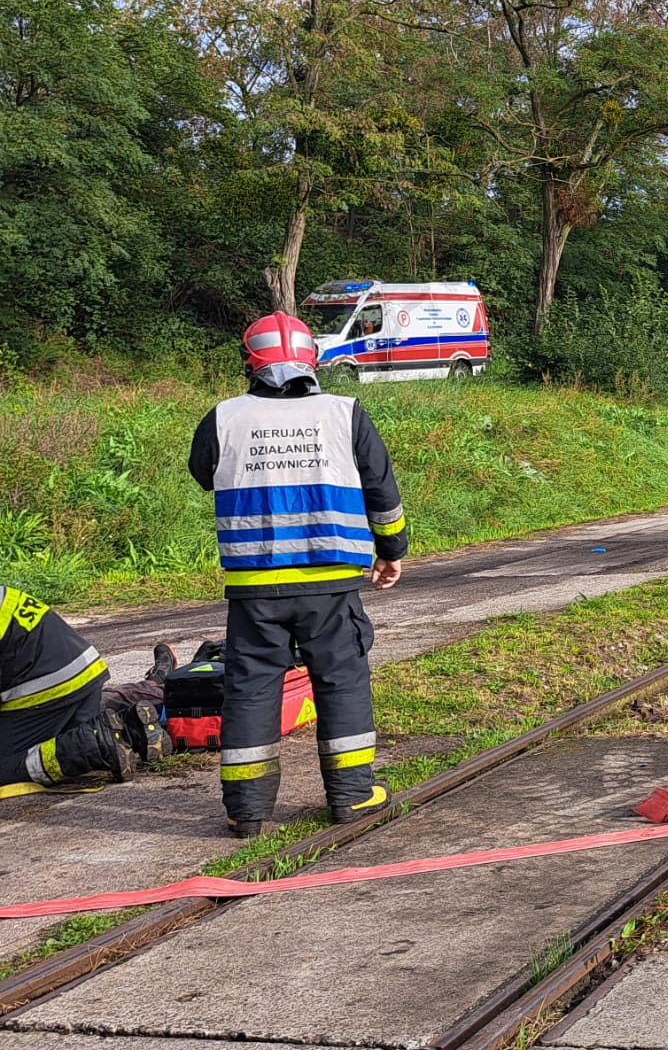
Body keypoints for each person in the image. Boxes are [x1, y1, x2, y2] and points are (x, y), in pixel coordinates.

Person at [189, 312, 409, 838]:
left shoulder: (223, 418)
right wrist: (391, 550)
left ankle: (247, 811)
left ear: (251, 364)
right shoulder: (344, 414)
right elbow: (382, 493)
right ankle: (352, 796)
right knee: (341, 681)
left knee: (250, 688)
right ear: (313, 361)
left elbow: (203, 474)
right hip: (330, 583)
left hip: (254, 587)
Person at [1, 586, 156, 794]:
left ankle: (92, 746)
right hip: (81, 673)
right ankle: (129, 729)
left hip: (48, 687)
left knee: (7, 766)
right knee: (66, 736)